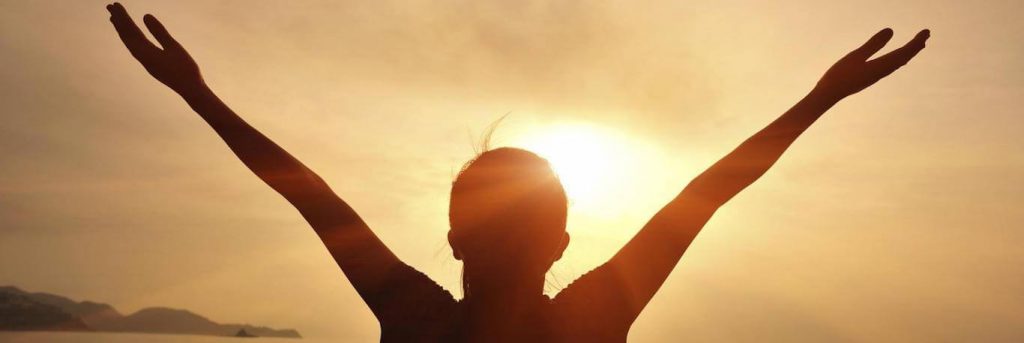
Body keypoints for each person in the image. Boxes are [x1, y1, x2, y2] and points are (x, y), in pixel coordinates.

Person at [105, 3, 929, 342]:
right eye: (501, 223)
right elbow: (701, 197)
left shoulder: (422, 316)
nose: (504, 240)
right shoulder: (586, 316)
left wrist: (199, 96)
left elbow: (310, 195)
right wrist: (196, 95)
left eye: (516, 222)